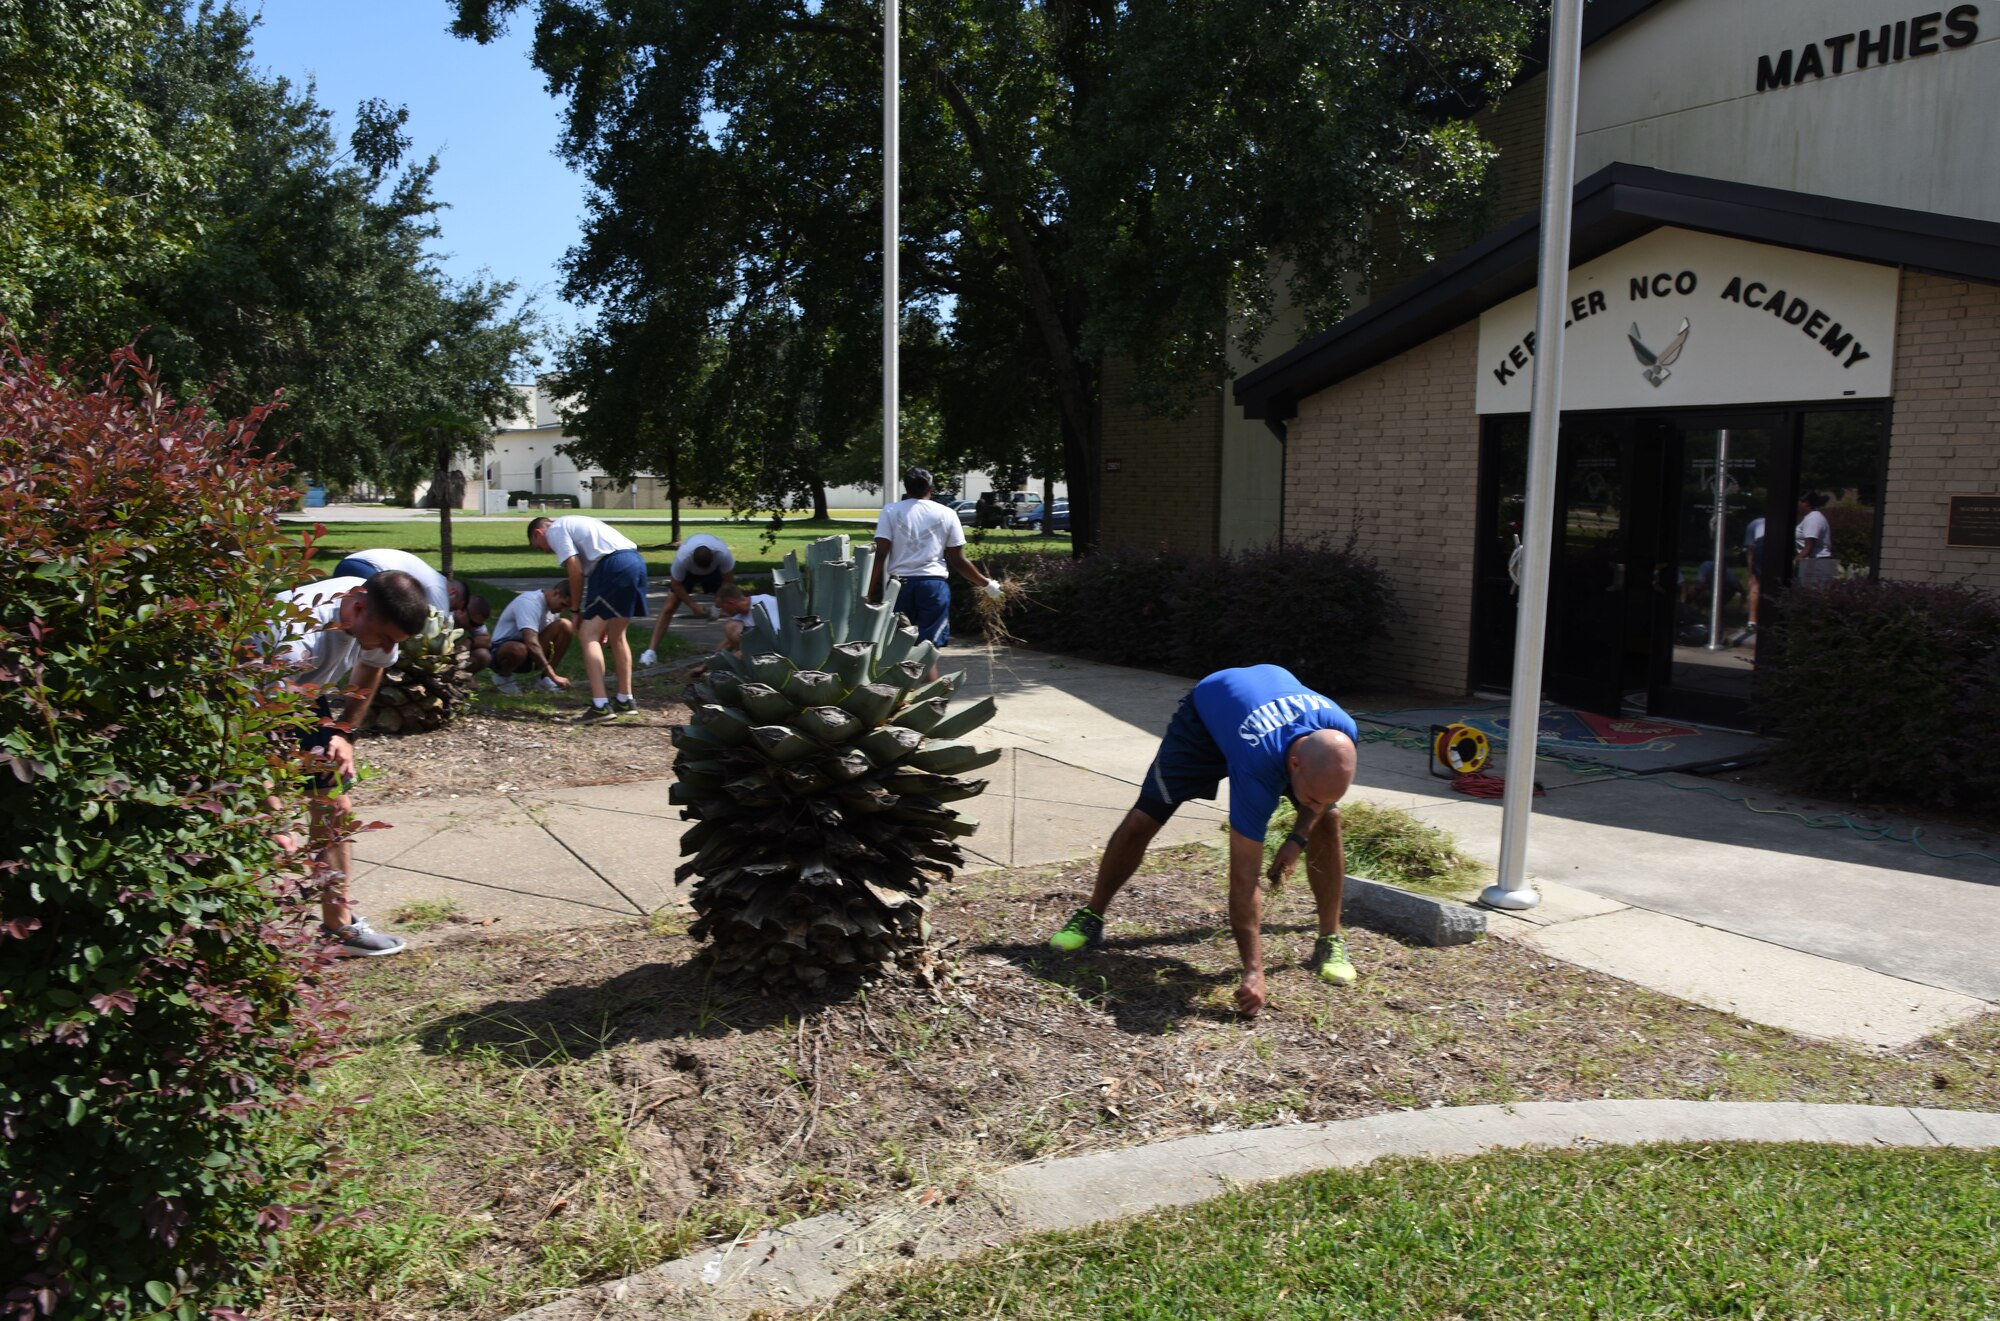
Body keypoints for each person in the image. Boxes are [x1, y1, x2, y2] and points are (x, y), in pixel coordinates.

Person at [1048, 665, 1361, 1017]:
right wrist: (1253, 971)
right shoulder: (1258, 765)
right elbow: (1244, 879)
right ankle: (1092, 916)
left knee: (1329, 819)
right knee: (1144, 818)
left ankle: (1330, 938)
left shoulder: (1341, 733)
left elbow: (1321, 800)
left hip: (1271, 715)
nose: (1313, 805)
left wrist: (1298, 837)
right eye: (1311, 797)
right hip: (1207, 718)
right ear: (1294, 764)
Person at [268, 571, 432, 957]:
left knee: (335, 805)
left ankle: (337, 928)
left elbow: (372, 666)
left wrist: (345, 733)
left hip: (302, 694)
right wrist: (273, 816)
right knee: (262, 828)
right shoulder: (295, 638)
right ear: (357, 608)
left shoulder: (371, 609)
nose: (390, 648)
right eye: (389, 638)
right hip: (246, 700)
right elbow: (257, 735)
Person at [866, 467, 1002, 659]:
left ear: (906, 487)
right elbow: (958, 560)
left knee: (898, 649)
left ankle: (906, 687)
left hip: (899, 587)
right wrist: (987, 584)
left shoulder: (890, 511)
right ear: (931, 487)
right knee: (927, 650)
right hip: (933, 587)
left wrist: (868, 593)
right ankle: (929, 687)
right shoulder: (946, 513)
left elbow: (880, 555)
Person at [526, 514, 648, 721]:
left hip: (612, 568)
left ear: (539, 533)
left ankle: (600, 705)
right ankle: (625, 699)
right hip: (635, 562)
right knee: (617, 635)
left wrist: (575, 610)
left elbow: (575, 569)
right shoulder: (575, 521)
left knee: (587, 635)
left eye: (538, 546)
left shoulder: (555, 529)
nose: (544, 551)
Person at [640, 532, 737, 664]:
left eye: (706, 567)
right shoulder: (682, 559)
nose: (703, 571)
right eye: (701, 568)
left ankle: (738, 647)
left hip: (715, 573)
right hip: (688, 574)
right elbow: (676, 584)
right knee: (669, 607)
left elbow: (728, 583)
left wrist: (717, 605)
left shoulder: (723, 554)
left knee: (733, 603)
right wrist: (693, 605)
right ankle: (650, 652)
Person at [487, 583, 575, 694]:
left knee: (565, 625)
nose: (562, 610)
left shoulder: (552, 609)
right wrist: (553, 675)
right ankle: (503, 677)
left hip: (528, 655)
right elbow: (531, 642)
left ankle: (544, 680)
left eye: (567, 608)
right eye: (563, 605)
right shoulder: (530, 602)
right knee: (518, 649)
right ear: (556, 593)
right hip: (501, 651)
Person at [332, 547, 448, 615]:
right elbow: (441, 621)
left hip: (351, 562)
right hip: (364, 567)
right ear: (453, 593)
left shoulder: (431, 576)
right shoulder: (438, 585)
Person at [714, 584, 780, 656]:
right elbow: (728, 643)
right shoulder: (739, 616)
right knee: (731, 627)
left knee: (739, 655)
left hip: (779, 643)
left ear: (731, 603)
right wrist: (706, 664)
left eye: (723, 607)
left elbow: (776, 633)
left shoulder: (764, 602)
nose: (724, 611)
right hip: (759, 645)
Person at [1794, 492, 1836, 589]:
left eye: (1799, 503)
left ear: (1806, 503)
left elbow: (1808, 547)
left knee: (1813, 597)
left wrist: (1795, 561)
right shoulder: (1810, 517)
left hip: (1818, 564)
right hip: (1816, 562)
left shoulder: (1813, 519)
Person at [1743, 515, 1767, 630]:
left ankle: (1752, 620)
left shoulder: (1754, 523)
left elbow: (1750, 550)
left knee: (1756, 584)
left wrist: (1751, 572)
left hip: (1760, 547)